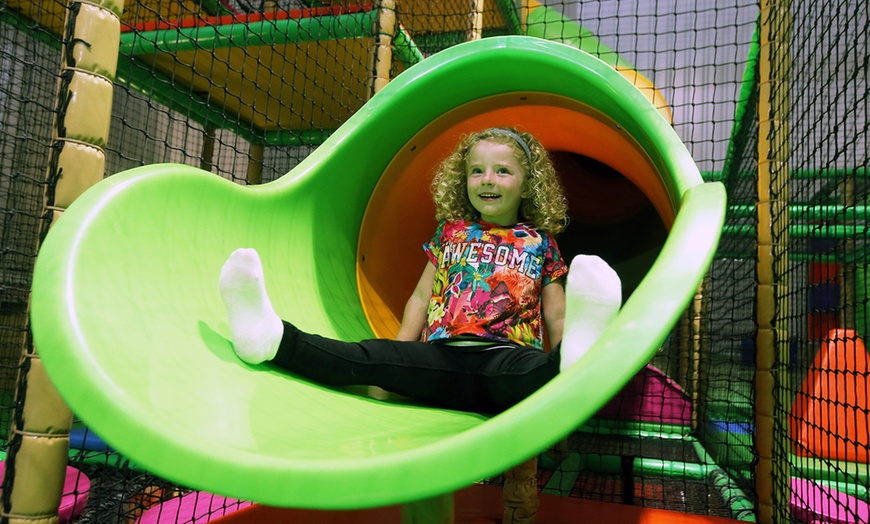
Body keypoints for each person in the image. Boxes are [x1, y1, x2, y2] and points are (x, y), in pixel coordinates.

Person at [218, 127, 621, 522]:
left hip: (506, 364)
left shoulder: (540, 242)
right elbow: (418, 298)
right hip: (441, 361)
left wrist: (567, 391)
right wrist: (396, 363)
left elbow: (557, 315)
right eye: (476, 171)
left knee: (540, 374)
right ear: (462, 180)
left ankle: (573, 362)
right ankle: (271, 339)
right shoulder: (450, 233)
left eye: (502, 170)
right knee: (366, 356)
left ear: (527, 182)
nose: (487, 180)